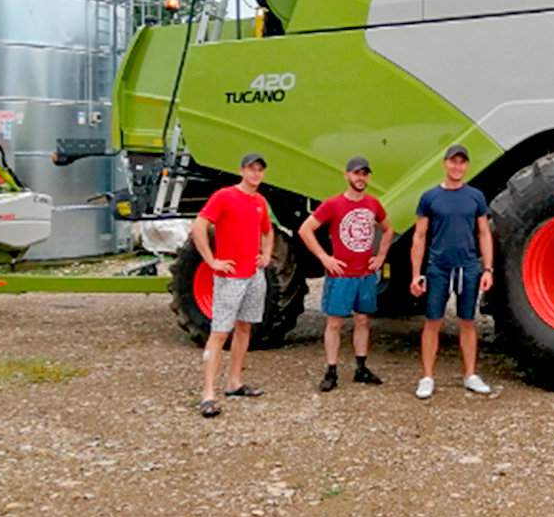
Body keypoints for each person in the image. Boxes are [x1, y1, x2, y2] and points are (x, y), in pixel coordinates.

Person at [297, 155, 393, 391]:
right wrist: (324, 257)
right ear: (347, 175)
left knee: (362, 320)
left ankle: (361, 367)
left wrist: (380, 256)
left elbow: (389, 229)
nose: (360, 178)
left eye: (364, 174)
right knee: (335, 323)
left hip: (365, 274)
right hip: (341, 276)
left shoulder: (373, 204)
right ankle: (331, 371)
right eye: (356, 173)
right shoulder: (333, 204)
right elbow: (305, 229)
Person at [191, 152, 274, 418]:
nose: (255, 174)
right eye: (251, 169)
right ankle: (207, 394)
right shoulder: (224, 196)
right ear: (241, 171)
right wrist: (211, 260)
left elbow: (267, 230)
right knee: (219, 332)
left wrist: (267, 254)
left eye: (260, 170)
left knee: (245, 326)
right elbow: (199, 225)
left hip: (253, 274)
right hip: (230, 277)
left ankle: (234, 382)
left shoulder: (260, 201)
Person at [408, 144, 494, 399]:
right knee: (433, 321)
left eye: (462, 162)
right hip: (439, 267)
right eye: (453, 161)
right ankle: (427, 377)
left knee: (467, 321)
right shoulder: (429, 197)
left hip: (468, 266)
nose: (457, 167)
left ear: (466, 165)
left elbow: (484, 233)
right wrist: (416, 274)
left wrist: (487, 269)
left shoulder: (476, 197)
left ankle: (470, 375)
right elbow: (419, 236)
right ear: (445, 163)